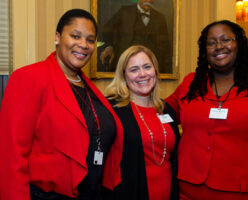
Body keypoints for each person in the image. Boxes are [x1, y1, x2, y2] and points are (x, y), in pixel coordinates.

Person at [166, 20, 248, 200]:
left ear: (240, 44)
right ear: (204, 51)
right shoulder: (191, 85)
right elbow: (160, 113)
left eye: (226, 39)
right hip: (188, 193)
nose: (219, 46)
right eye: (211, 43)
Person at [0, 9, 123, 200]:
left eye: (90, 40)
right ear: (57, 37)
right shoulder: (29, 78)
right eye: (75, 36)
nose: (83, 45)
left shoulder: (90, 88)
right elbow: (12, 156)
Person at [103, 45, 180, 200]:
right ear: (124, 75)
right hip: (129, 192)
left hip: (169, 192)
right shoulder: (112, 110)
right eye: (134, 69)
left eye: (147, 67)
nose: (142, 74)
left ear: (155, 71)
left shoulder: (166, 109)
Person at [99, 0, 172, 73]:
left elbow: (165, 46)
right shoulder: (124, 12)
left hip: (149, 69)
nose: (149, 0)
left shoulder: (160, 18)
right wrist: (109, 47)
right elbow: (107, 29)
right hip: (125, 64)